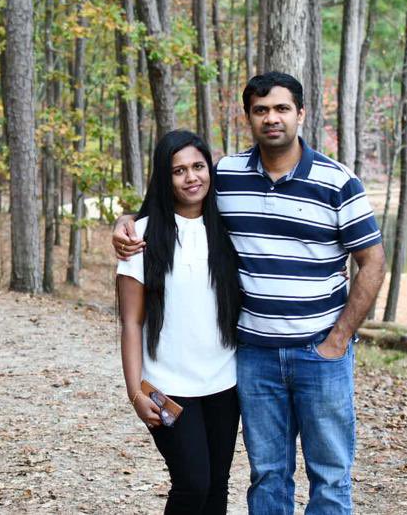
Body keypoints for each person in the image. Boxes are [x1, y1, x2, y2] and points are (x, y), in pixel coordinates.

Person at [113, 72, 386, 515]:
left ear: (301, 113)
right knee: (267, 473)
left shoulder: (339, 182)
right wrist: (126, 221)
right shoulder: (230, 176)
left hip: (320, 355)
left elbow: (372, 262)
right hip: (255, 357)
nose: (272, 118)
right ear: (249, 118)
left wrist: (338, 340)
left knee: (330, 475)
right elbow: (173, 199)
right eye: (261, 110)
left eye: (281, 109)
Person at [116, 128, 242, 515]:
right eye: (179, 170)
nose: (192, 177)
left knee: (217, 487)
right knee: (191, 484)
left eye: (199, 167)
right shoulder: (141, 236)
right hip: (169, 386)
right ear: (164, 178)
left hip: (225, 383)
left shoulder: (229, 228)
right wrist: (135, 392)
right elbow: (131, 323)